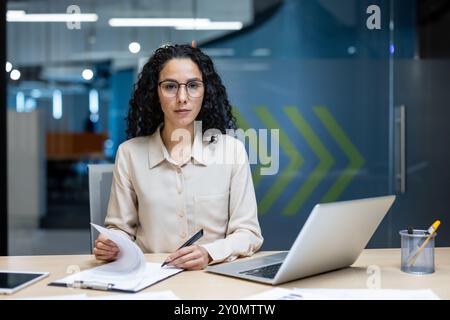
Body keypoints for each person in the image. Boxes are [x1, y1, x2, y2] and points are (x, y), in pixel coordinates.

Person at [93, 44, 263, 270]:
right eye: (170, 86)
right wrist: (112, 244)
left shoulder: (231, 151)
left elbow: (249, 233)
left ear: (206, 91)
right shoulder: (129, 154)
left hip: (213, 279)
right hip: (150, 280)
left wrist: (209, 253)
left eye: (193, 85)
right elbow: (120, 229)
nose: (182, 97)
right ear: (156, 93)